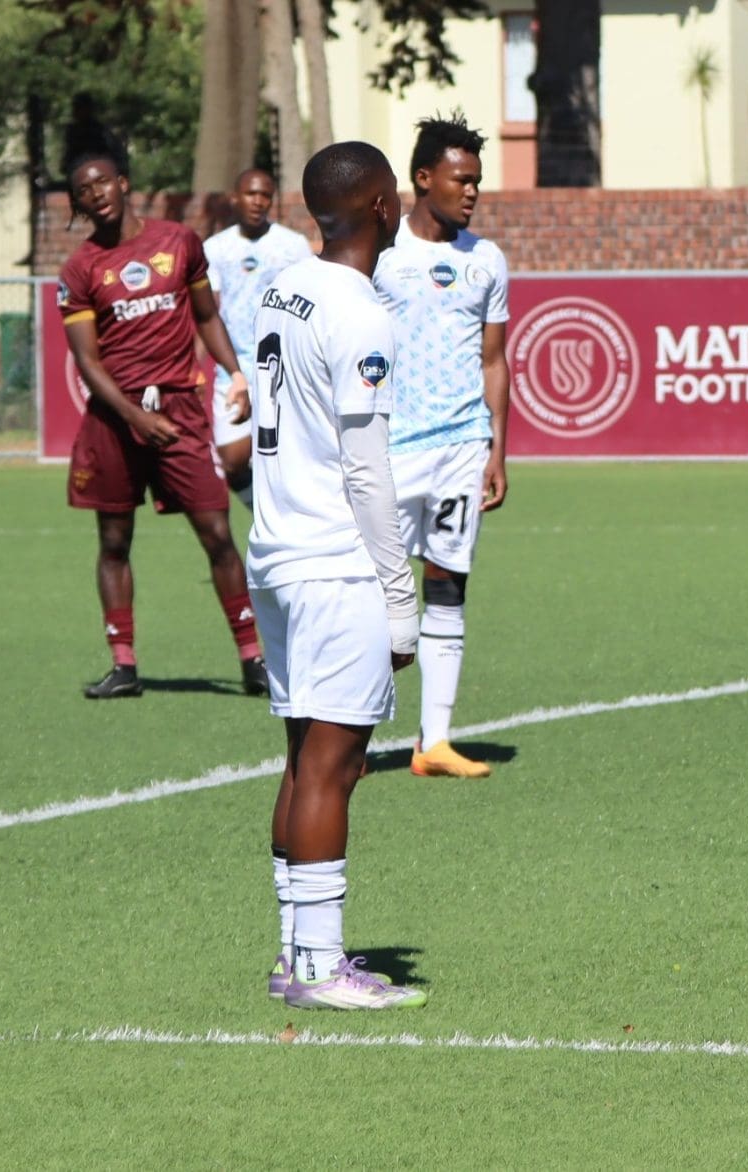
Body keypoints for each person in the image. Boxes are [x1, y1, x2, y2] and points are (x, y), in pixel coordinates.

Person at [253, 140, 425, 1010]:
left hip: (275, 551)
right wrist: (401, 595)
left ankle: (294, 953)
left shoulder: (279, 285)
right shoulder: (360, 310)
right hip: (331, 560)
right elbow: (367, 466)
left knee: (300, 755)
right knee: (333, 762)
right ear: (383, 207)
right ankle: (320, 967)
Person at [57, 150, 266, 699]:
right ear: (77, 202)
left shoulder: (178, 242)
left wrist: (236, 373)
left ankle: (252, 659)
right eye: (84, 188)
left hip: (179, 412)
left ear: (124, 184)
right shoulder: (79, 270)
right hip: (115, 419)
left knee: (219, 534)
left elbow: (205, 316)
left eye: (104, 181)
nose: (96, 192)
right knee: (114, 541)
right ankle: (123, 665)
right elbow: (88, 362)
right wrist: (132, 417)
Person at [373, 112, 511, 779]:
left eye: (477, 181)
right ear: (422, 179)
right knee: (376, 592)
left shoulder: (486, 261)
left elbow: (495, 361)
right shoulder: (379, 255)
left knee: (448, 583)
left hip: (462, 446)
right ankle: (353, 738)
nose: (472, 192)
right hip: (391, 450)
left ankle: (435, 742)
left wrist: (497, 450)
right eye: (462, 180)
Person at [204, 168, 314, 508]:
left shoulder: (293, 246)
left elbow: (309, 303)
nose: (258, 201)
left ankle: (289, 522)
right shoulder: (216, 248)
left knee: (284, 460)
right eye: (251, 194)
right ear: (235, 198)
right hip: (232, 371)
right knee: (233, 461)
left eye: (265, 195)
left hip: (281, 369)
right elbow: (208, 312)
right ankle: (267, 514)